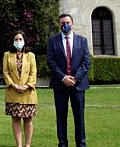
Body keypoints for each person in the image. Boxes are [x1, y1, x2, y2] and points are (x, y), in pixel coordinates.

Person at [47, 13, 91, 147]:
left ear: (72, 23)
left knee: (79, 117)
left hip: (78, 85)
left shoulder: (82, 41)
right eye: (62, 23)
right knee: (61, 116)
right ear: (59, 24)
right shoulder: (53, 41)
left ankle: (81, 144)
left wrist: (75, 78)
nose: (65, 25)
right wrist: (63, 77)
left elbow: (86, 62)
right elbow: (51, 61)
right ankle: (62, 144)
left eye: (67, 22)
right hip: (60, 85)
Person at [3, 31, 38, 147]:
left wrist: (27, 85)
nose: (18, 41)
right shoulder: (7, 55)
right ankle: (19, 145)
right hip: (13, 92)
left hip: (28, 93)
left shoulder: (30, 55)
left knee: (28, 119)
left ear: (24, 41)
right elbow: (5, 72)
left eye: (20, 39)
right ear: (13, 41)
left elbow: (33, 72)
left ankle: (27, 144)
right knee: (16, 119)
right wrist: (13, 85)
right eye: (16, 39)